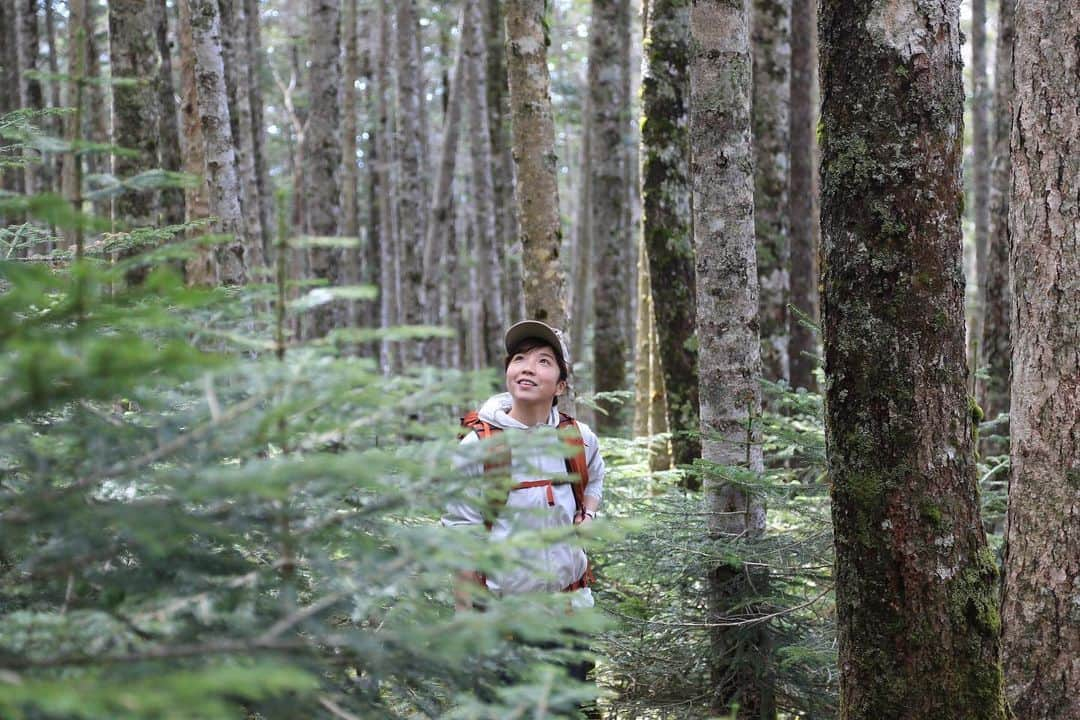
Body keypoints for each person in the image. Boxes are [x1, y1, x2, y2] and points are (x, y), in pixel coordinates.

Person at [442, 320, 605, 694]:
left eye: (544, 361)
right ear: (508, 374)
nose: (528, 367)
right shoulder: (479, 446)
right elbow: (462, 535)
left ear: (561, 385)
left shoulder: (578, 438)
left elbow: (595, 478)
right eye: (519, 359)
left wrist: (590, 513)